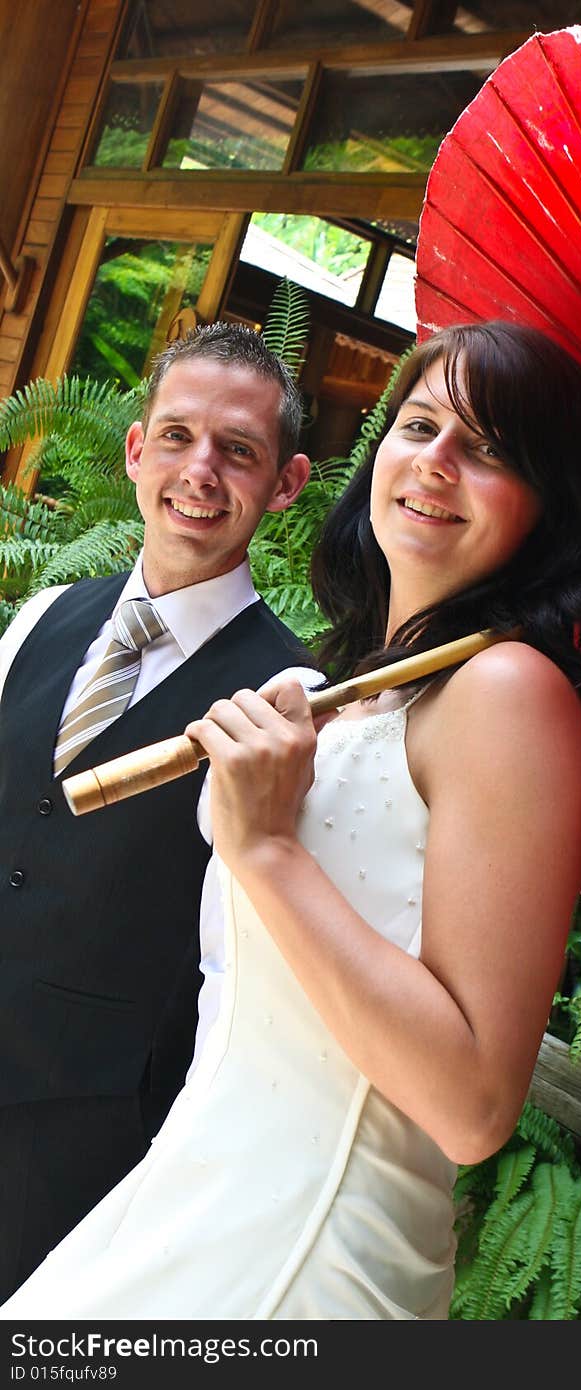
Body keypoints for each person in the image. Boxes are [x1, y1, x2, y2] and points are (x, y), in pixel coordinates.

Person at [1, 318, 581, 1320]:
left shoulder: (510, 693)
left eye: (491, 449)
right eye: (419, 425)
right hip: (186, 1209)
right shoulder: (349, 692)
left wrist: (265, 847)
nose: (435, 464)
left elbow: (471, 1108)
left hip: (303, 1252)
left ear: (549, 506)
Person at [0, 321, 319, 1302]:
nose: (200, 470)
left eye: (239, 450)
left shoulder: (293, 700)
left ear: (288, 483)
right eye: (177, 437)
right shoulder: (39, 618)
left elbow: (259, 961)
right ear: (137, 450)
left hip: (93, 1148)